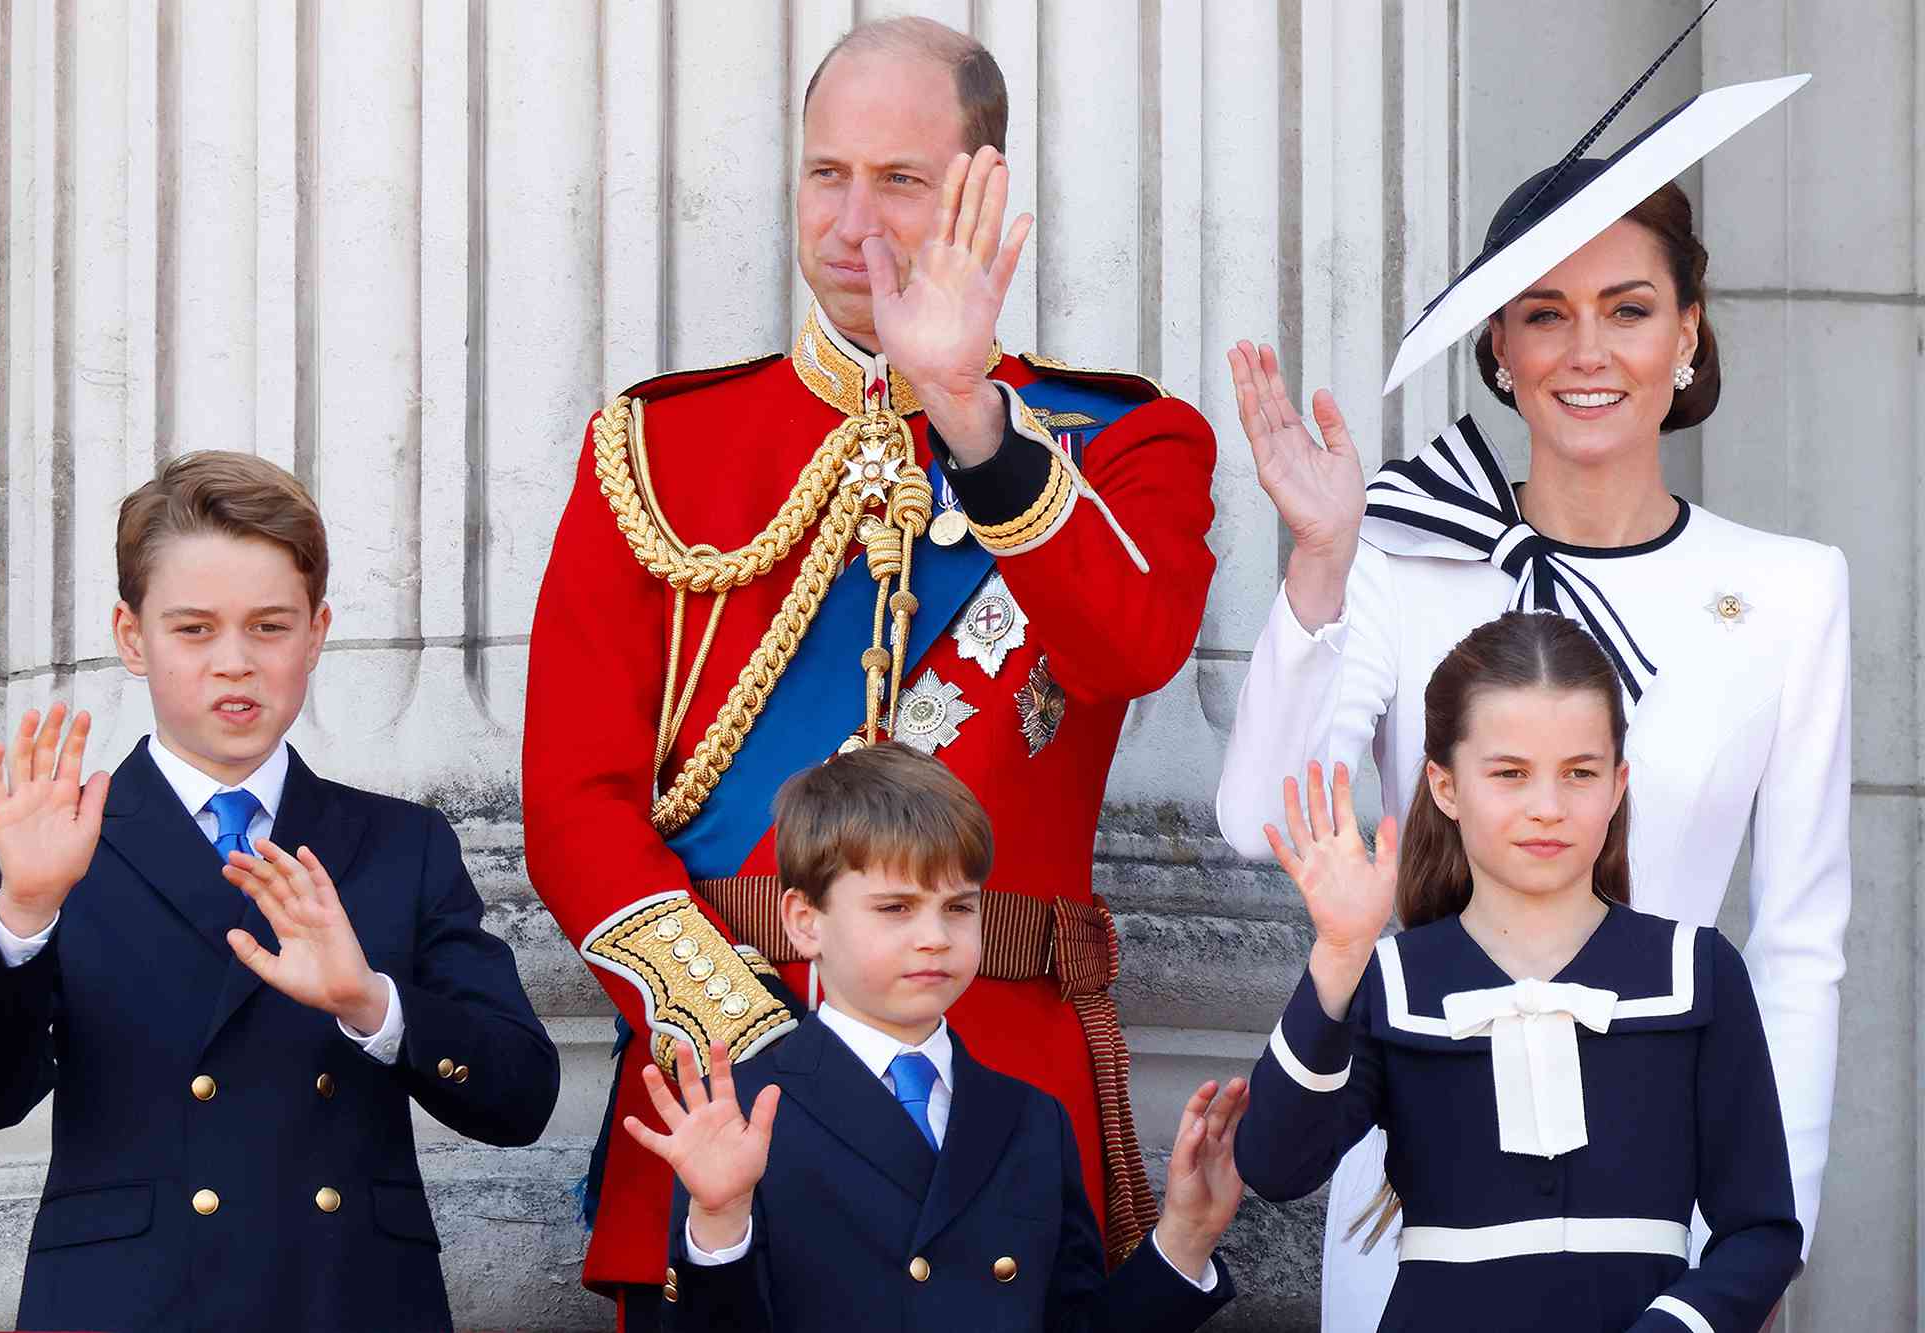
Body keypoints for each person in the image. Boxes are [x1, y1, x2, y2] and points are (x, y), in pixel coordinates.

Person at [522, 17, 1216, 1322]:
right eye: (826, 174)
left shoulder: (1123, 441)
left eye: (899, 180)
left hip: (995, 1099)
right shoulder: (659, 447)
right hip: (723, 1086)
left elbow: (1132, 644)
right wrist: (748, 1033)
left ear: (982, 190)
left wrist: (970, 416)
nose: (853, 219)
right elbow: (572, 802)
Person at [1214, 56, 1843, 1330]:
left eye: (1625, 307)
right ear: (1497, 347)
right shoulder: (1401, 551)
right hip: (1414, 1190)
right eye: (1543, 313)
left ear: (1687, 330)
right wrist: (1324, 566)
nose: (1585, 350)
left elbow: (1795, 951)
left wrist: (1758, 1245)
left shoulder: (1787, 590)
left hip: (1665, 1207)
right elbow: (1259, 822)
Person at [0, 452, 560, 1333]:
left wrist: (370, 1002)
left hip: (344, 1299)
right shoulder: (54, 838)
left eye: (269, 626)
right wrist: (24, 916)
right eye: (194, 629)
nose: (235, 662)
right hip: (129, 1304)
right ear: (130, 635)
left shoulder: (401, 844)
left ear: (316, 631)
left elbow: (522, 1097)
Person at [1237, 611, 1801, 1333]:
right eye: (1510, 773)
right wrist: (1340, 955)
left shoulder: (1698, 972)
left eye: (1579, 773)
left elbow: (1763, 1232)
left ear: (1618, 782)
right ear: (1445, 786)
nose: (1547, 807)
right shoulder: (1393, 981)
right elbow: (1275, 1164)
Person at [626, 743, 1242, 1331]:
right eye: (896, 908)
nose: (935, 936)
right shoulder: (746, 1113)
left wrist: (1185, 1237)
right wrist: (718, 1222)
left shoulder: (1031, 1119)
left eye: (959, 907)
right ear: (805, 922)